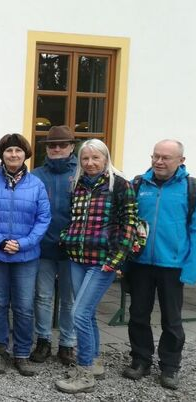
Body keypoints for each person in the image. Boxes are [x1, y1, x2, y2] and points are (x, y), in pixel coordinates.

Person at [55, 139, 137, 394]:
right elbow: (75, 218)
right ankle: (94, 362)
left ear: (105, 159)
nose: (90, 163)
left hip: (102, 262)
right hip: (78, 258)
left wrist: (116, 260)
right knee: (87, 314)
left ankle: (84, 373)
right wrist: (66, 238)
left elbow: (129, 225)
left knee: (78, 313)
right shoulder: (77, 184)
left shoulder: (120, 185)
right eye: (85, 158)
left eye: (95, 158)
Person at [122, 140, 195, 390]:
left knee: (172, 320)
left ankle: (170, 366)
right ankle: (140, 359)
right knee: (138, 314)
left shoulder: (189, 188)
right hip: (140, 262)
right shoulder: (139, 183)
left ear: (180, 161)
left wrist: (191, 267)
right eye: (156, 156)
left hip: (172, 264)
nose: (159, 162)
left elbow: (194, 230)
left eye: (166, 157)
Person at [0, 133, 50, 377]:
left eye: (18, 151)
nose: (13, 155)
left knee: (24, 307)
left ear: (25, 154)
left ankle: (22, 353)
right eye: (9, 151)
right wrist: (0, 241)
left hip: (26, 257)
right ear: (2, 154)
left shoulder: (36, 184)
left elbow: (43, 219)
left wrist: (23, 243)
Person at [30, 126, 78, 366]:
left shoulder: (81, 173)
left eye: (62, 144)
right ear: (46, 148)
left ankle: (68, 343)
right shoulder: (36, 175)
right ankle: (43, 340)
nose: (57, 149)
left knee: (69, 299)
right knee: (43, 297)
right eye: (52, 145)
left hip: (73, 250)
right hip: (44, 247)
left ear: (72, 147)